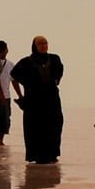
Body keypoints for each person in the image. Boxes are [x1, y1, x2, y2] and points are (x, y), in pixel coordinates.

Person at [11, 35, 66, 163]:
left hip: (52, 99)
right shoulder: (26, 62)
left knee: (55, 124)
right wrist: (21, 96)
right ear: (35, 46)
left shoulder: (54, 58)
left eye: (45, 43)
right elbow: (14, 76)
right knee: (35, 128)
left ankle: (53, 154)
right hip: (34, 100)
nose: (44, 46)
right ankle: (36, 156)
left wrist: (56, 81)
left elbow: (59, 73)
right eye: (40, 44)